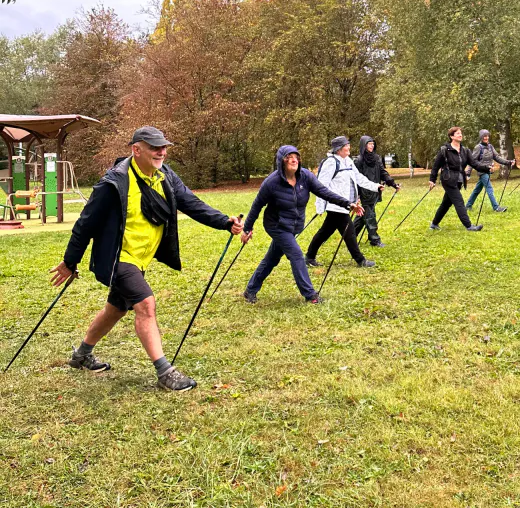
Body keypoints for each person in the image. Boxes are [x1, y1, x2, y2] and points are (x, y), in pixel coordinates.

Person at [50, 126, 244, 392]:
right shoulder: (114, 182)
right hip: (119, 258)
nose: (161, 152)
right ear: (136, 150)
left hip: (141, 260)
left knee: (115, 309)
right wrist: (70, 262)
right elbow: (86, 223)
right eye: (155, 147)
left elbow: (191, 202)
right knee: (145, 304)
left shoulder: (164, 176)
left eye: (163, 147)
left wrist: (224, 222)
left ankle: (81, 355)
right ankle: (165, 372)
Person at [241, 145, 363, 304]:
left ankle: (250, 289)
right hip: (276, 225)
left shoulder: (305, 176)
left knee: (272, 258)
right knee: (297, 254)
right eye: (288, 157)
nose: (293, 160)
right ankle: (310, 295)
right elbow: (257, 205)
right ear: (281, 161)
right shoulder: (272, 182)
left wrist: (348, 204)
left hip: (293, 226)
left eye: (295, 156)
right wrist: (247, 229)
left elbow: (324, 192)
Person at [305, 136, 382, 268]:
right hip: (336, 205)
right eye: (346, 145)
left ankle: (309, 257)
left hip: (346, 204)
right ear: (339, 149)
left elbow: (358, 178)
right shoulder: (331, 162)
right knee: (349, 233)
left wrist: (375, 186)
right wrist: (320, 206)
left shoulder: (348, 161)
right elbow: (321, 186)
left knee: (325, 232)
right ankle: (360, 260)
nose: (349, 148)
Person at [428, 127, 487, 231]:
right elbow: (436, 166)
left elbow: (474, 164)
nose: (460, 135)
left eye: (460, 133)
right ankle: (469, 226)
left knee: (446, 203)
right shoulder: (445, 150)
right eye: (457, 133)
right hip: (448, 179)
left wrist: (486, 168)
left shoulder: (465, 150)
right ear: (451, 136)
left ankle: (434, 223)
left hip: (459, 180)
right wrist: (432, 180)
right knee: (459, 201)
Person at [353, 135, 400, 247]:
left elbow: (383, 172)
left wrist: (393, 184)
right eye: (369, 144)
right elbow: (356, 179)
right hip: (364, 192)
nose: (372, 146)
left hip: (375, 190)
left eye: (373, 144)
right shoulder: (358, 161)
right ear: (364, 145)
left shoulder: (376, 158)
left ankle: (350, 236)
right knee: (370, 216)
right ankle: (374, 240)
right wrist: (357, 195)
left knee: (363, 215)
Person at [465, 129, 516, 214]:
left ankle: (468, 205)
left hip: (489, 170)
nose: (486, 137)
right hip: (482, 170)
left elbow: (497, 158)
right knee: (489, 188)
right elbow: (472, 161)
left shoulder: (490, 146)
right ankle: (496, 207)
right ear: (481, 137)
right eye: (484, 136)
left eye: (487, 136)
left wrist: (508, 162)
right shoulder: (478, 147)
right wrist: (468, 173)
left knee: (477, 190)